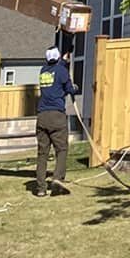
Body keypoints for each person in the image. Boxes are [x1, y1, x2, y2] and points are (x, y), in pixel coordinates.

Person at [32, 44, 76, 196]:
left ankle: (41, 189)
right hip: (56, 115)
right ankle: (57, 180)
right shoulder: (62, 71)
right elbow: (69, 88)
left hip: (42, 116)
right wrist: (74, 88)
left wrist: (64, 60)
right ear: (57, 58)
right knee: (61, 150)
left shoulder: (43, 71)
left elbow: (55, 74)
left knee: (42, 153)